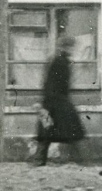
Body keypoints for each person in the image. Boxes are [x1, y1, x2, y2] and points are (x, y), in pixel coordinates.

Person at [33, 36, 86, 165]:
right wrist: (49, 104)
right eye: (70, 47)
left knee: (54, 132)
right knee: (55, 131)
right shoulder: (58, 62)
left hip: (57, 101)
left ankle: (77, 161)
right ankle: (79, 162)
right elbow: (50, 84)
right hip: (54, 102)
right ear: (63, 47)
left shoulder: (63, 61)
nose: (72, 49)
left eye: (72, 47)